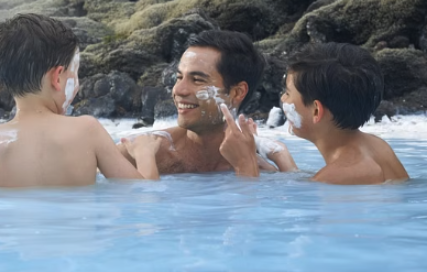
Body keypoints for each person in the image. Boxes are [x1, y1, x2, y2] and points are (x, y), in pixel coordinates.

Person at [0, 13, 162, 188]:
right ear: (57, 78)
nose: (78, 84)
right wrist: (144, 153)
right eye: (76, 72)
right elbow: (144, 194)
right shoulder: (86, 130)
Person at [222, 42, 409, 185]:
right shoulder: (375, 146)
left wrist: (244, 165)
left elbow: (248, 213)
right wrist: (280, 158)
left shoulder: (340, 175)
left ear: (317, 110)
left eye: (287, 93)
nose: (283, 100)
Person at [119, 30, 297, 175]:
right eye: (179, 77)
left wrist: (282, 157)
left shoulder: (262, 167)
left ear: (236, 92)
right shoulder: (140, 152)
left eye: (197, 80)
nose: (179, 90)